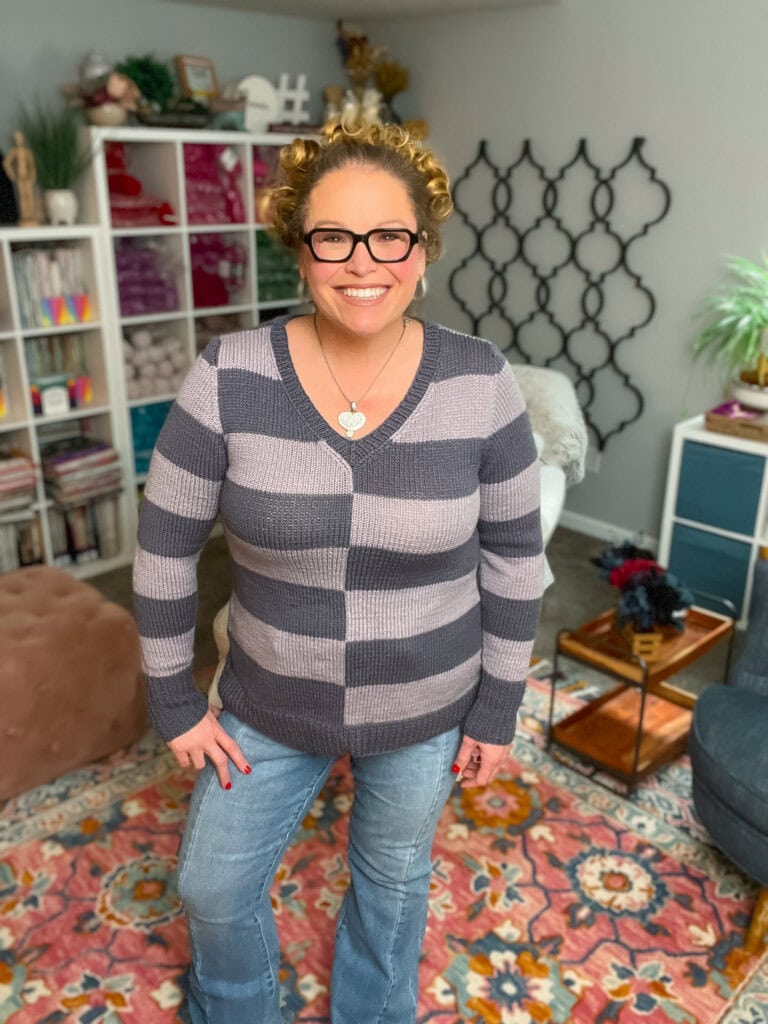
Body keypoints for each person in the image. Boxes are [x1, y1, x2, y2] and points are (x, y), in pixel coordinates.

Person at [132, 121, 545, 1024]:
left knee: (392, 883)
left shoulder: (481, 382)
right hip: (268, 698)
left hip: (429, 705)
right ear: (301, 250)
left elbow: (517, 558)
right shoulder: (229, 374)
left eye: (390, 235)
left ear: (423, 250)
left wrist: (498, 705)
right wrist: (173, 699)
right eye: (334, 237)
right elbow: (164, 548)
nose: (363, 262)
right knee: (210, 886)